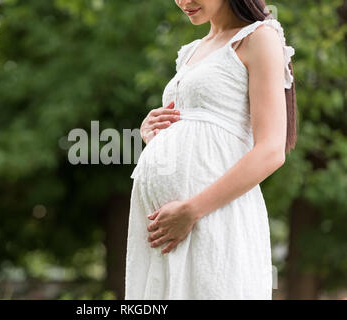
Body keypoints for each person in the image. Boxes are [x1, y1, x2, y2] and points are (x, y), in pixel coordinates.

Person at [125, 0, 297, 299]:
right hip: (167, 229)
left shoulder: (258, 37)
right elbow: (201, 128)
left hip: (212, 216)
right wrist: (153, 133)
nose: (184, 2)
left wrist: (192, 210)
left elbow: (271, 150)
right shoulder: (191, 51)